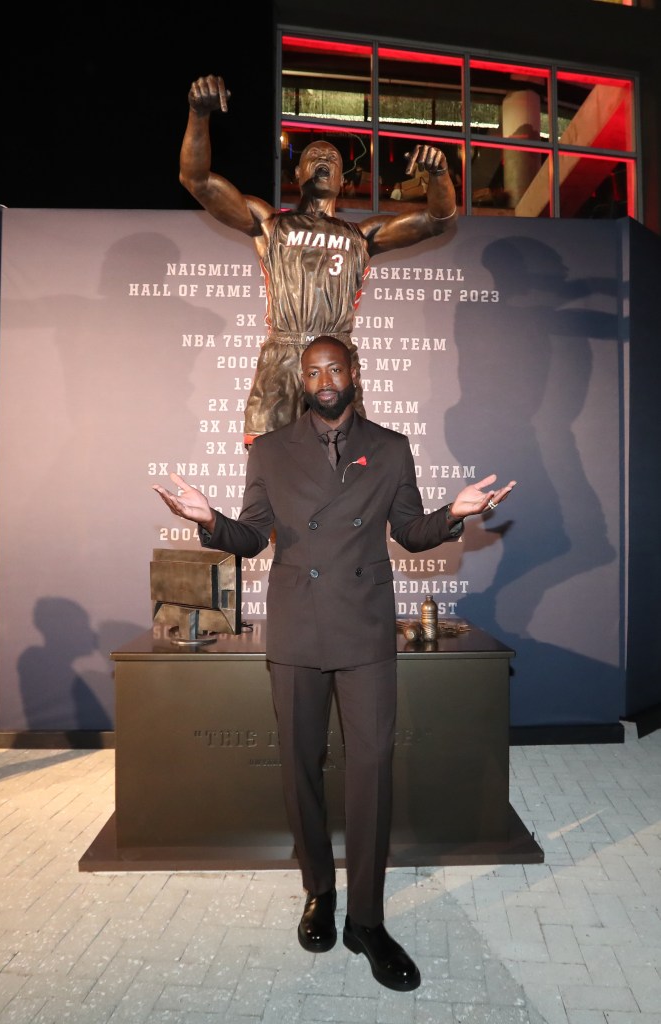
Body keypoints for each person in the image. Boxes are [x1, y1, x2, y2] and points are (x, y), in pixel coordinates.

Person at [153, 335, 516, 992]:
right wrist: (210, 521)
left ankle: (368, 921)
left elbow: (409, 531)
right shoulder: (269, 450)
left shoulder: (391, 447)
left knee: (372, 772)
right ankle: (318, 891)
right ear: (303, 379)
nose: (324, 379)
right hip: (296, 628)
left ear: (353, 373)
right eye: (312, 370)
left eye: (334, 367)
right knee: (300, 770)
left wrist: (452, 515)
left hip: (362, 629)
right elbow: (251, 535)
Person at [179, 74, 458, 445]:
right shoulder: (269, 223)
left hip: (335, 355)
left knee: (344, 464)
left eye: (333, 158)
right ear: (298, 172)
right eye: (314, 156)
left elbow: (438, 221)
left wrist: (439, 175)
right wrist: (199, 114)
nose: (324, 159)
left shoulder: (361, 235)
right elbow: (196, 179)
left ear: (344, 179)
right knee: (270, 461)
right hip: (284, 356)